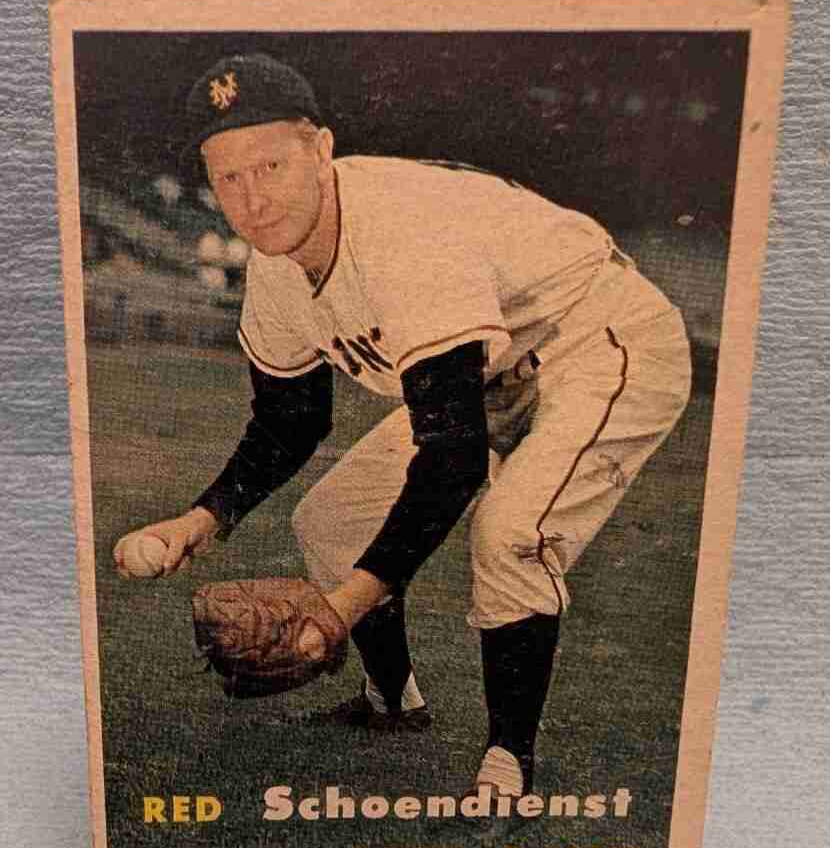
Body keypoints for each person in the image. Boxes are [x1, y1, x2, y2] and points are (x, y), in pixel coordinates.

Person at [115, 54, 691, 798]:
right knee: (330, 522)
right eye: (230, 178)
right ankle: (392, 703)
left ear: (321, 150)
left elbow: (452, 460)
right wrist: (204, 518)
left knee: (511, 531)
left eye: (271, 166)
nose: (253, 199)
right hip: (493, 369)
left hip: (598, 338)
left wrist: (339, 611)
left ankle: (508, 763)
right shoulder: (275, 268)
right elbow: (291, 419)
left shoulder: (401, 231)